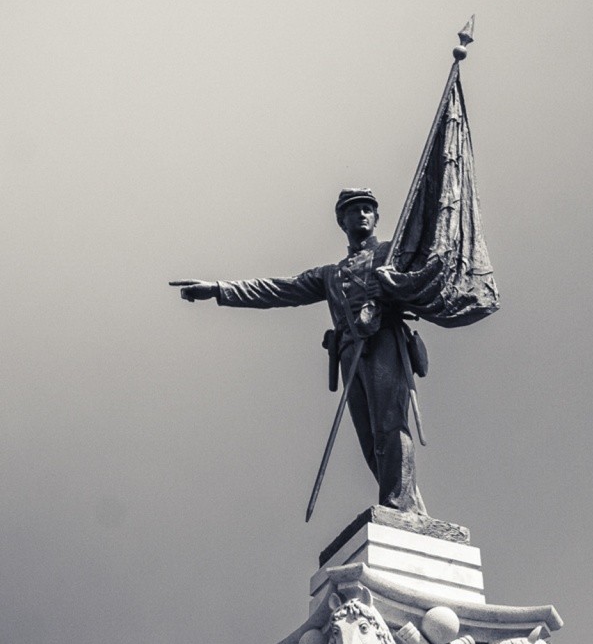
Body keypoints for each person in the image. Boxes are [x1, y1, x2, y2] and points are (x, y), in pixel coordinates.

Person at [176, 189, 428, 515]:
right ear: (342, 221)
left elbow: (424, 269)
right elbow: (280, 288)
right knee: (372, 443)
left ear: (377, 218)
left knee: (391, 425)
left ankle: (398, 506)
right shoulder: (330, 275)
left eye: (368, 209)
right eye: (354, 211)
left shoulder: (391, 254)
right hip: (350, 353)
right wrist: (219, 289)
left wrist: (392, 283)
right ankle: (412, 508)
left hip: (383, 341)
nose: (362, 215)